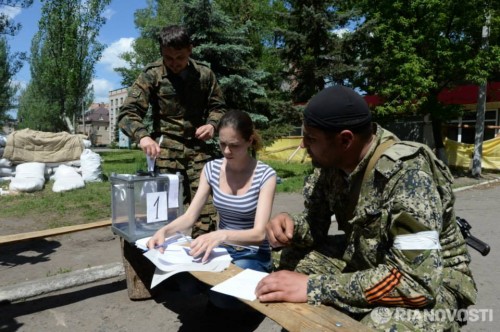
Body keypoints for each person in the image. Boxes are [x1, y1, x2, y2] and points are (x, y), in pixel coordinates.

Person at [255, 86, 477, 331]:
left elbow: (417, 283)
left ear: (346, 139)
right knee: (285, 259)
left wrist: (313, 287)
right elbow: (314, 227)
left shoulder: (409, 176)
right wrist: (290, 224)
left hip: (434, 282)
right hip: (370, 260)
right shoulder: (331, 163)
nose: (303, 145)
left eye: (311, 138)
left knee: (378, 325)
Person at [118, 24, 226, 238]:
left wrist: (212, 124)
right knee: (162, 212)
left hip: (198, 151)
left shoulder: (204, 74)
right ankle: (164, 260)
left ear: (190, 50)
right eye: (168, 58)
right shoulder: (152, 75)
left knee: (205, 210)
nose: (175, 64)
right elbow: (127, 112)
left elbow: (218, 107)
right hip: (165, 152)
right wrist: (143, 136)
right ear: (161, 53)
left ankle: (200, 255)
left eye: (180, 57)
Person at [147, 109, 277, 272]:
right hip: (221, 251)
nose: (227, 151)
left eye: (234, 145)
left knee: (224, 292)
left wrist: (222, 235)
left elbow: (259, 234)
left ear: (249, 141)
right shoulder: (211, 169)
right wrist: (164, 231)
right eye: (222, 144)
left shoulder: (265, 175)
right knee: (187, 282)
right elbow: (189, 217)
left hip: (252, 254)